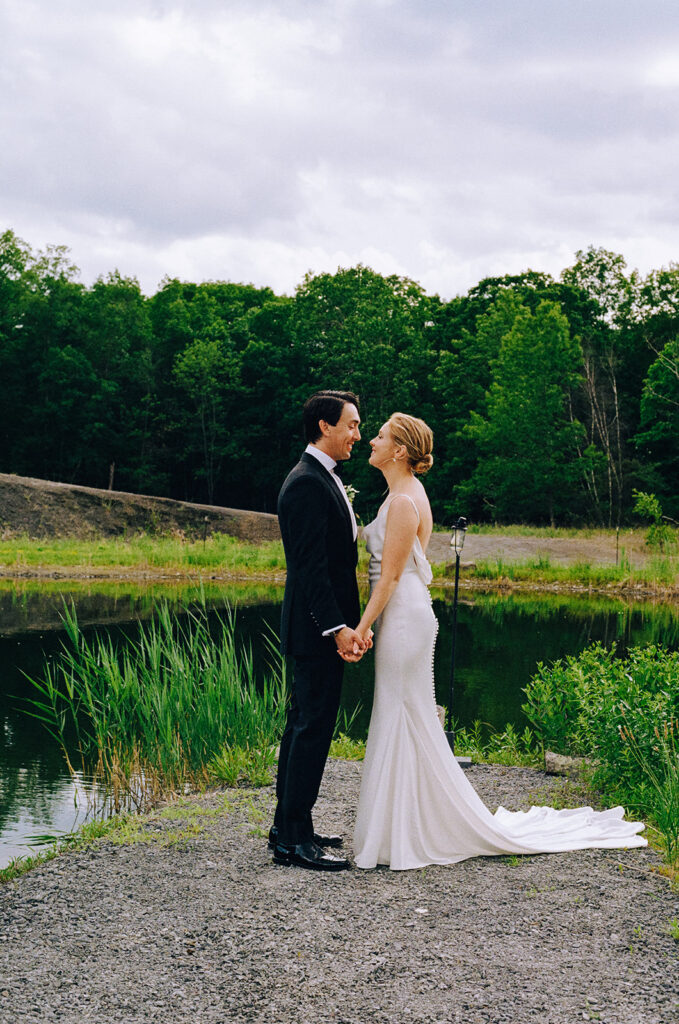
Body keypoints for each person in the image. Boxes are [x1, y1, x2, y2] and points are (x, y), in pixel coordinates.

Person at [352, 412, 646, 870]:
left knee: (402, 712)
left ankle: (410, 830)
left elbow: (389, 576)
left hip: (403, 616)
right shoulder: (401, 495)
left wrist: (363, 626)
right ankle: (403, 828)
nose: (372, 440)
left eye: (381, 436)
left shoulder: (405, 501)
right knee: (404, 713)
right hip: (404, 614)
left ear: (400, 451)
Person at [270, 390, 371, 872]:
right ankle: (292, 842)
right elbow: (310, 569)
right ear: (324, 427)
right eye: (351, 425)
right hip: (316, 633)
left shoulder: (321, 478)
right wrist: (337, 629)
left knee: (304, 728)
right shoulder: (307, 483)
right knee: (310, 729)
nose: (358, 434)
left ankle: (292, 826)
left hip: (317, 631)